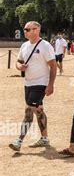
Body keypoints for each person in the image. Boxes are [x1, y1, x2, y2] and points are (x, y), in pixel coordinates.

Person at [9, 21, 57, 152]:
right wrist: (20, 67)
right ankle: (45, 138)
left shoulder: (45, 46)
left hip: (41, 83)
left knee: (29, 109)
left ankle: (19, 140)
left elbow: (53, 65)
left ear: (36, 30)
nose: (25, 31)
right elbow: (18, 62)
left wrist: (51, 85)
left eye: (27, 29)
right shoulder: (24, 45)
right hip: (28, 83)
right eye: (24, 29)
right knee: (39, 110)